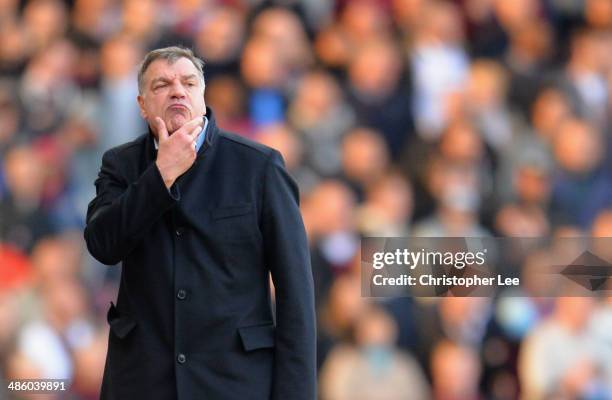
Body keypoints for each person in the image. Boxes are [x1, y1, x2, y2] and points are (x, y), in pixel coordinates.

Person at [84, 46, 316, 400]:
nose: (177, 90)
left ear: (202, 94)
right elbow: (103, 244)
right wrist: (160, 175)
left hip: (235, 381)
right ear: (142, 105)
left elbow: (296, 292)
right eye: (162, 84)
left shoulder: (259, 167)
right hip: (142, 382)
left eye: (188, 82)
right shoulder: (121, 165)